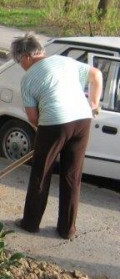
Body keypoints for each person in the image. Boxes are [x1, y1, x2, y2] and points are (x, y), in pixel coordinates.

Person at [11, 32, 103, 240]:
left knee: (41, 173)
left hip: (55, 122)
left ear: (25, 56)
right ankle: (67, 229)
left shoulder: (28, 77)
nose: (20, 65)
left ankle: (31, 223)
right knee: (72, 175)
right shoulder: (66, 61)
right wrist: (94, 103)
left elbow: (33, 117)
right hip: (82, 119)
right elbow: (96, 74)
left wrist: (45, 131)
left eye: (18, 61)